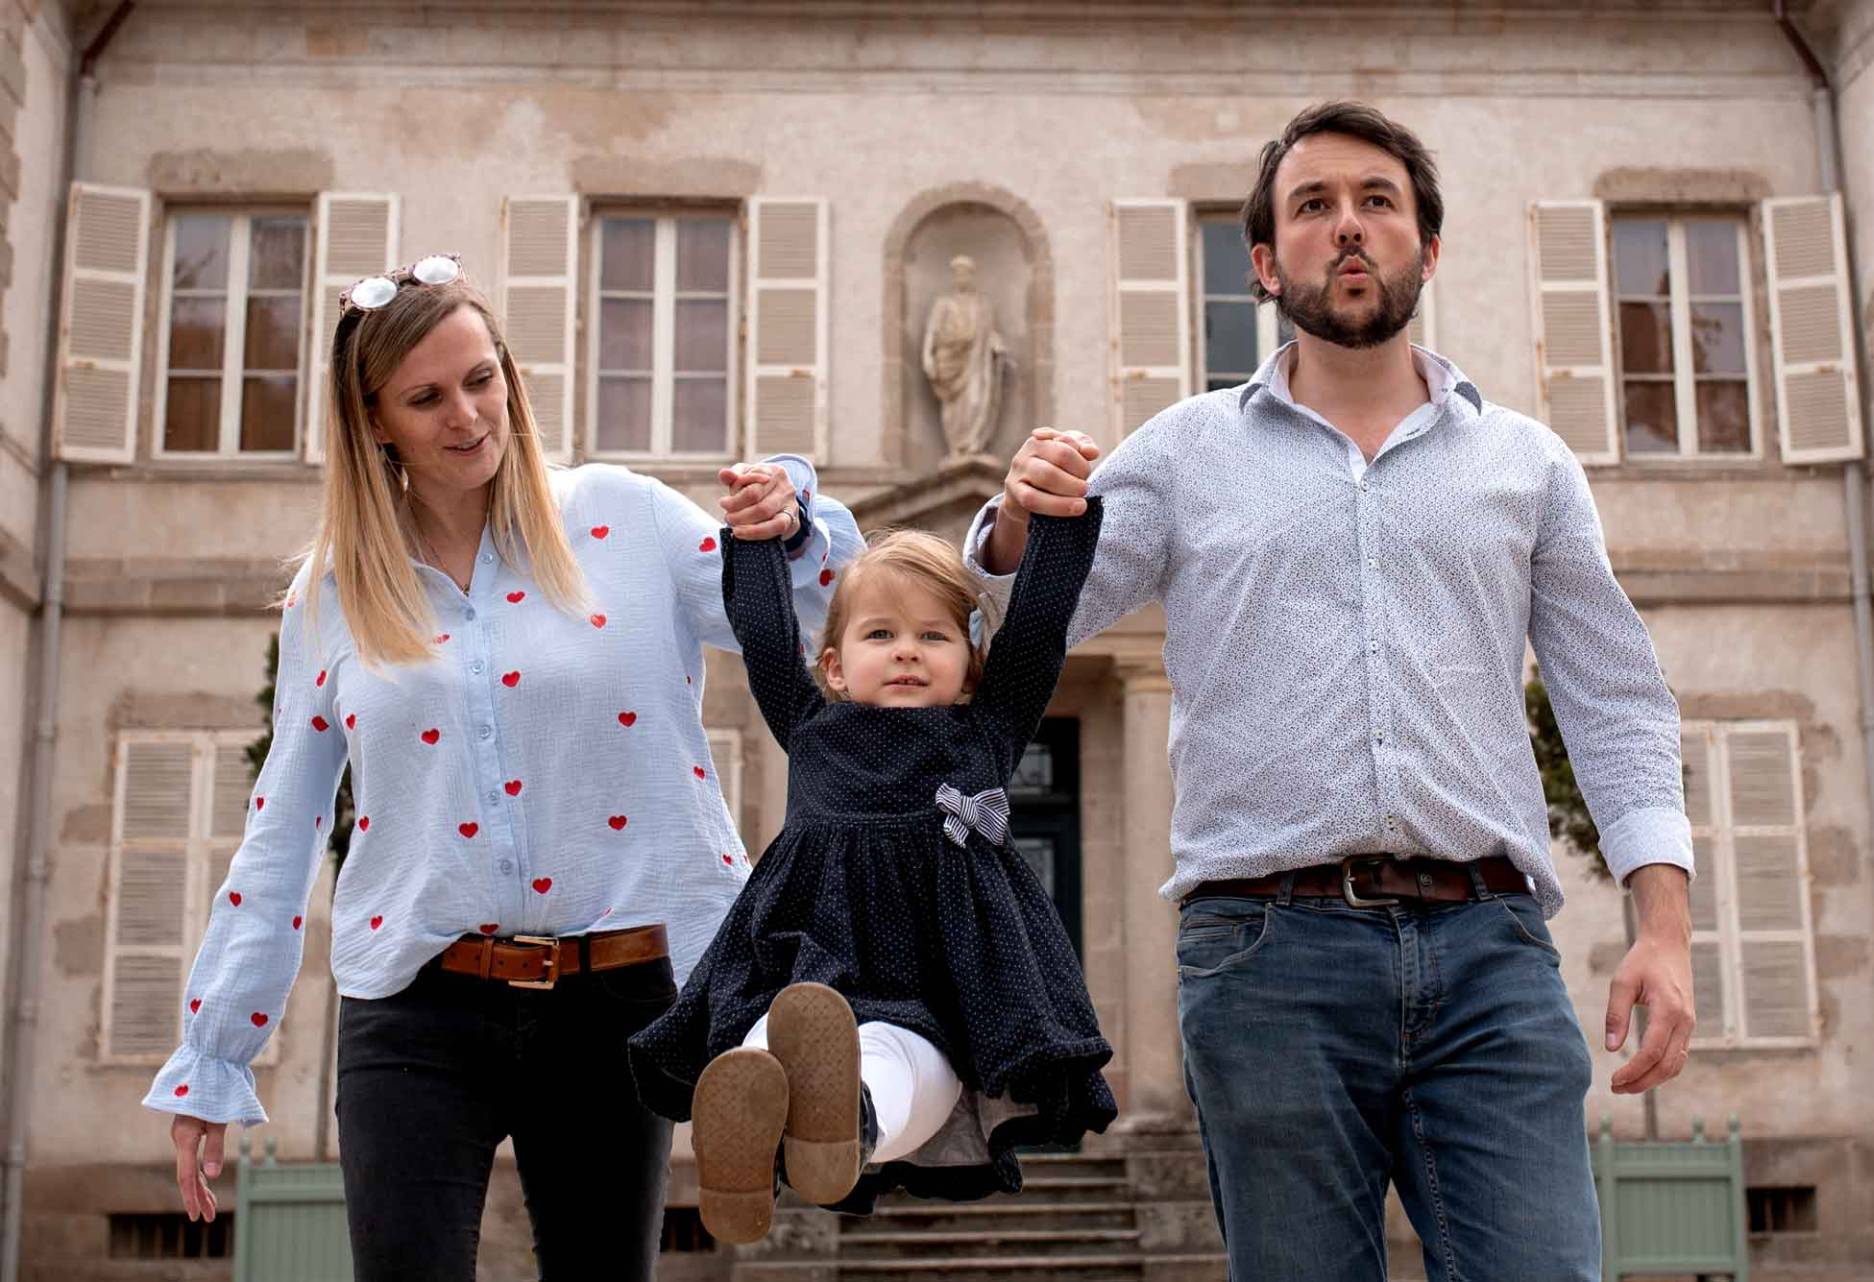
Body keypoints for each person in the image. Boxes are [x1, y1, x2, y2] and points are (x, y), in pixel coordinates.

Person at [967, 101, 1696, 1281]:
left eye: (1376, 202)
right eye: (1312, 207)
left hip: (1491, 951)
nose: (1346, 228)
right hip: (1266, 957)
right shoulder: (1184, 452)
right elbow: (1008, 634)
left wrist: (1663, 930)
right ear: (1262, 261)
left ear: (1426, 247)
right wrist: (1011, 530)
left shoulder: (1527, 465)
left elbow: (1614, 702)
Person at [141, 253, 861, 1282]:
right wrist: (214, 1057)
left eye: (482, 379)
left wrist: (787, 515)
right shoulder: (333, 593)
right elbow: (283, 823)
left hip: (616, 1000)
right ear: (374, 419)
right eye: (427, 397)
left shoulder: (625, 521)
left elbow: (819, 617)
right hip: (416, 1008)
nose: (468, 415)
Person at [628, 501, 1115, 1244]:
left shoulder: (984, 728)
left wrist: (1063, 524)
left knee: (907, 1057)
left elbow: (1041, 632)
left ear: (969, 667)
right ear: (834, 667)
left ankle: (843, 1123)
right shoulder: (810, 724)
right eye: (880, 635)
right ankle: (749, 1128)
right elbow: (763, 638)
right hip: (814, 944)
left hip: (936, 963)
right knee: (774, 1033)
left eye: (933, 636)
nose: (907, 652)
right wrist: (755, 541)